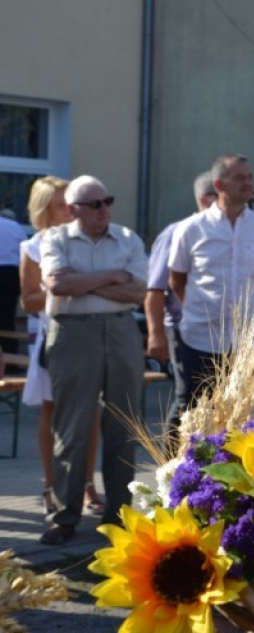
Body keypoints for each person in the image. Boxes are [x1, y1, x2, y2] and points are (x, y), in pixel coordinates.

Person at [38, 175, 147, 545]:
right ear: (72, 210)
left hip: (121, 331)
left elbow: (138, 292)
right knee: (72, 428)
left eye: (107, 201)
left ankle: (119, 514)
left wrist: (84, 280)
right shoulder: (55, 238)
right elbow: (57, 285)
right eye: (94, 204)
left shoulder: (128, 238)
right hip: (72, 333)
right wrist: (112, 278)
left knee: (123, 425)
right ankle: (63, 517)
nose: (104, 210)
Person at [168, 155, 254, 424]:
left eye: (250, 177)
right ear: (219, 184)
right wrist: (200, 309)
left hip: (250, 343)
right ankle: (181, 467)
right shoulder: (190, 229)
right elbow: (176, 279)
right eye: (239, 177)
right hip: (200, 340)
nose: (248, 183)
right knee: (193, 415)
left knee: (245, 416)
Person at [19, 176, 104, 516]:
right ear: (44, 212)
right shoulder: (34, 246)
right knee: (52, 411)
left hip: (90, 335)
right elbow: (28, 301)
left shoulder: (89, 242)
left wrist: (83, 284)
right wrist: (67, 287)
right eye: (59, 206)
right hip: (51, 337)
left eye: (70, 204)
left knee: (91, 412)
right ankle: (51, 486)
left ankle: (87, 486)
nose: (68, 212)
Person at [144, 171, 216, 448]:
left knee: (216, 397)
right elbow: (155, 289)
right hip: (184, 328)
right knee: (188, 397)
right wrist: (155, 334)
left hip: (223, 330)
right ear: (203, 199)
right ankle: (171, 466)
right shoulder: (177, 232)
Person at [0, 208, 23, 356]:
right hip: (11, 273)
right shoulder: (14, 226)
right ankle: (10, 359)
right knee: (7, 316)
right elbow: (24, 250)